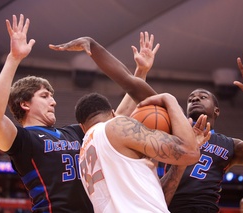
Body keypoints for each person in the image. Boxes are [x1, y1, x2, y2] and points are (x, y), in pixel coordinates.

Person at [0, 14, 159, 213]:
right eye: (45, 96)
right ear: (24, 103)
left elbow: (116, 118)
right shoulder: (24, 140)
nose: (54, 101)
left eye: (52, 96)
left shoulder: (76, 133)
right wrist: (14, 58)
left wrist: (141, 73)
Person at [49, 36, 211, 212]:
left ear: (82, 126)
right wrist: (169, 98)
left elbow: (159, 199)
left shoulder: (85, 154)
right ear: (113, 114)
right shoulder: (116, 127)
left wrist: (180, 163)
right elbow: (190, 152)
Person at [166, 53, 243, 213]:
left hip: (204, 208)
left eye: (202, 97)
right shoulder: (170, 132)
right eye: (190, 99)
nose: (195, 99)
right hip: (167, 206)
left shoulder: (229, 145)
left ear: (217, 110)